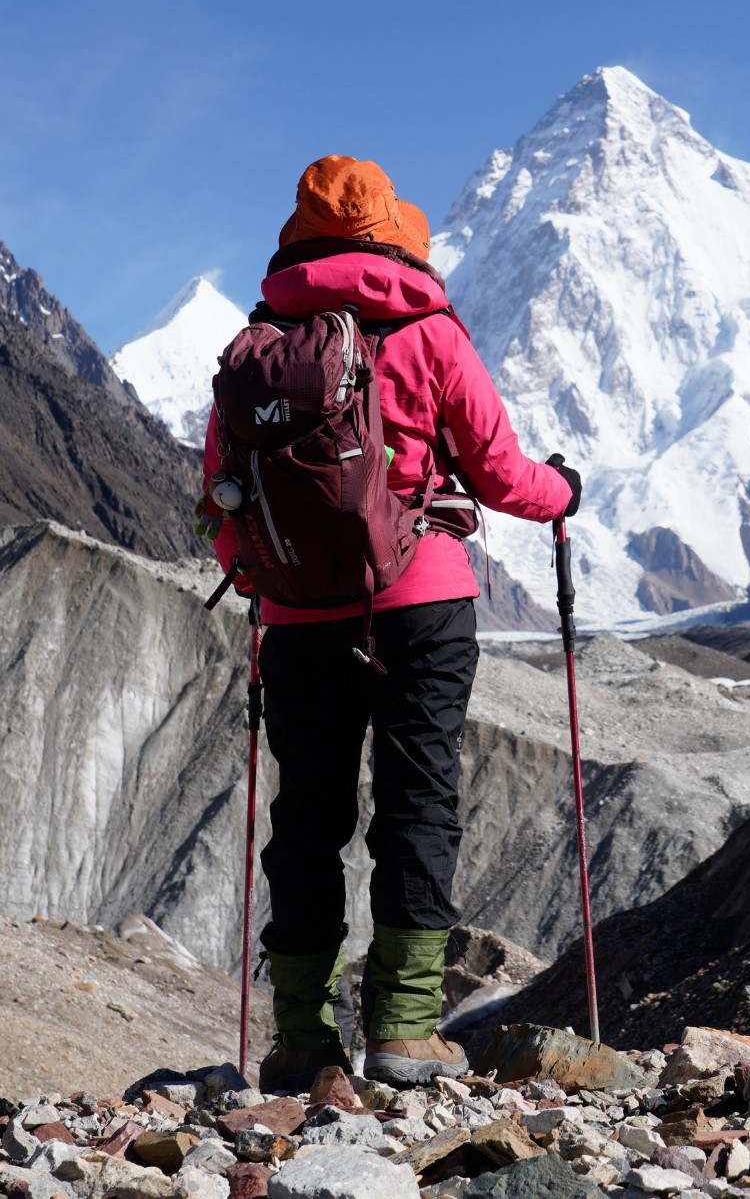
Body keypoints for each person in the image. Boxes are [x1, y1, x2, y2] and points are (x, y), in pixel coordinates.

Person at [202, 155, 580, 1091]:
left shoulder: (260, 347)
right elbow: (500, 473)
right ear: (394, 236)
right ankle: (404, 1034)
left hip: (296, 619)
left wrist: (267, 579)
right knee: (417, 808)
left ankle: (302, 1041)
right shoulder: (428, 330)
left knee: (307, 822)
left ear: (300, 235)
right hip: (421, 606)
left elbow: (221, 499)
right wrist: (563, 490)